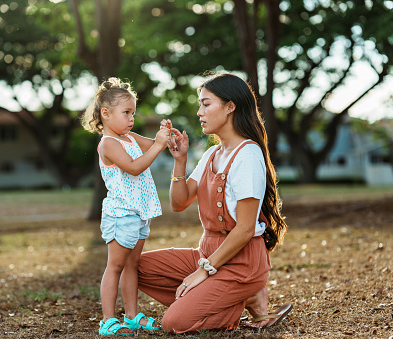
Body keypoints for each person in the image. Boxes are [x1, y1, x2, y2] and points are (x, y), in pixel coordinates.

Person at [137, 72, 292, 333]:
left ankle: (239, 297)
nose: (199, 112)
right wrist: (180, 160)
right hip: (207, 252)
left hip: (242, 262)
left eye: (206, 104)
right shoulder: (211, 153)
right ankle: (237, 297)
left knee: (174, 323)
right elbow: (179, 203)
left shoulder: (248, 154)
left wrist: (204, 272)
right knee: (135, 266)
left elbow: (244, 229)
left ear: (230, 107)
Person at [81, 77, 169, 336]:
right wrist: (159, 145)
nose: (131, 118)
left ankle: (132, 316)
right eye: (126, 113)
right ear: (105, 114)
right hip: (121, 214)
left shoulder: (129, 138)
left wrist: (162, 136)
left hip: (139, 213)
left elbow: (153, 147)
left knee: (132, 265)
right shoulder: (108, 144)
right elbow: (135, 167)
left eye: (133, 113)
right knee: (116, 266)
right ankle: (108, 320)